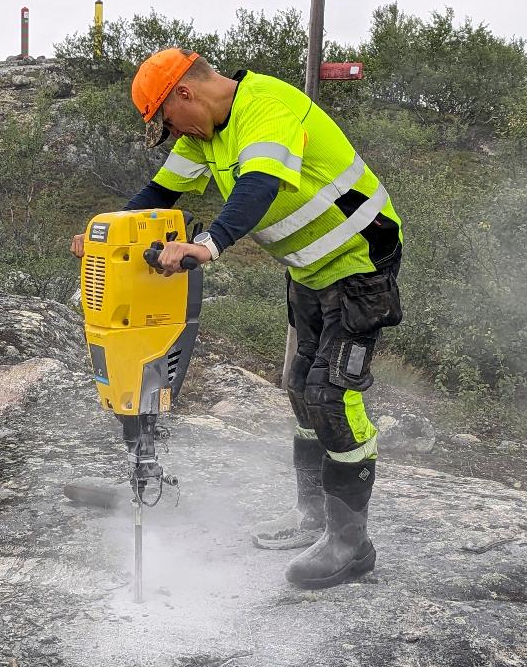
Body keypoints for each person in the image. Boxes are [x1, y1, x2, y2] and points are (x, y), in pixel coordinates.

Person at [71, 48, 404, 589]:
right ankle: (312, 518)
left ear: (184, 94)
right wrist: (107, 238)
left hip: (360, 265)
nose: (170, 133)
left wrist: (206, 245)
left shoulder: (267, 105)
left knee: (330, 394)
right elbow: (157, 194)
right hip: (309, 269)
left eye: (166, 121)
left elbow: (258, 186)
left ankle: (352, 544)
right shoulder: (204, 136)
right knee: (298, 385)